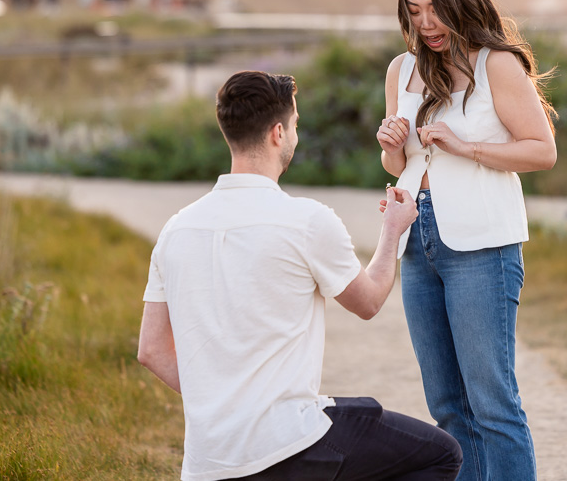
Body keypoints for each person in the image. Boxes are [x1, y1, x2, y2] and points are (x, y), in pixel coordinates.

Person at [137, 70, 462, 481]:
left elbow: (151, 349)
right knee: (440, 454)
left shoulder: (175, 230)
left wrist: (222, 401)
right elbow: (368, 301)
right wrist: (392, 230)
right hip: (288, 446)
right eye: (294, 125)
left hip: (207, 465)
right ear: (277, 133)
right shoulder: (305, 220)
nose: (295, 134)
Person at [376, 0, 558, 481]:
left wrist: (465, 147)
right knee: (447, 406)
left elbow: (541, 151)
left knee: (493, 405)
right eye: (414, 10)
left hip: (482, 245)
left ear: (461, 0)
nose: (426, 23)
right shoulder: (401, 70)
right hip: (418, 240)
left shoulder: (495, 64)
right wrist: (390, 143)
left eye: (435, 7)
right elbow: (398, 159)